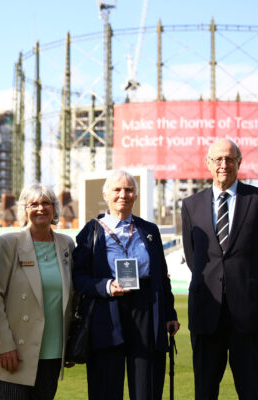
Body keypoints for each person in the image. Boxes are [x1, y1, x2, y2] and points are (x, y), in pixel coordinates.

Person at [181, 138, 258, 400]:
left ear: (239, 162)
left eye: (229, 159)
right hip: (206, 313)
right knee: (204, 391)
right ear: (208, 164)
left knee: (252, 391)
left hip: (250, 315)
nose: (223, 164)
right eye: (217, 159)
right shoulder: (191, 205)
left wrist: (244, 282)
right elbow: (194, 258)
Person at [72, 170, 180, 400]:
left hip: (146, 312)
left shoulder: (149, 231)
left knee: (146, 388)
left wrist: (169, 313)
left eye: (129, 190)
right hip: (106, 313)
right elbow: (78, 278)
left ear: (136, 195)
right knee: (106, 390)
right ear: (105, 194)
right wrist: (105, 286)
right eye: (117, 190)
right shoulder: (90, 232)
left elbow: (162, 277)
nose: (123, 195)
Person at [0, 183, 75, 400]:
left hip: (52, 351)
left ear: (54, 209)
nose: (40, 208)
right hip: (14, 352)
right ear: (24, 209)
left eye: (45, 203)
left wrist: (70, 344)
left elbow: (73, 297)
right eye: (33, 204)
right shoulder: (7, 243)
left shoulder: (66, 245)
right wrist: (4, 345)